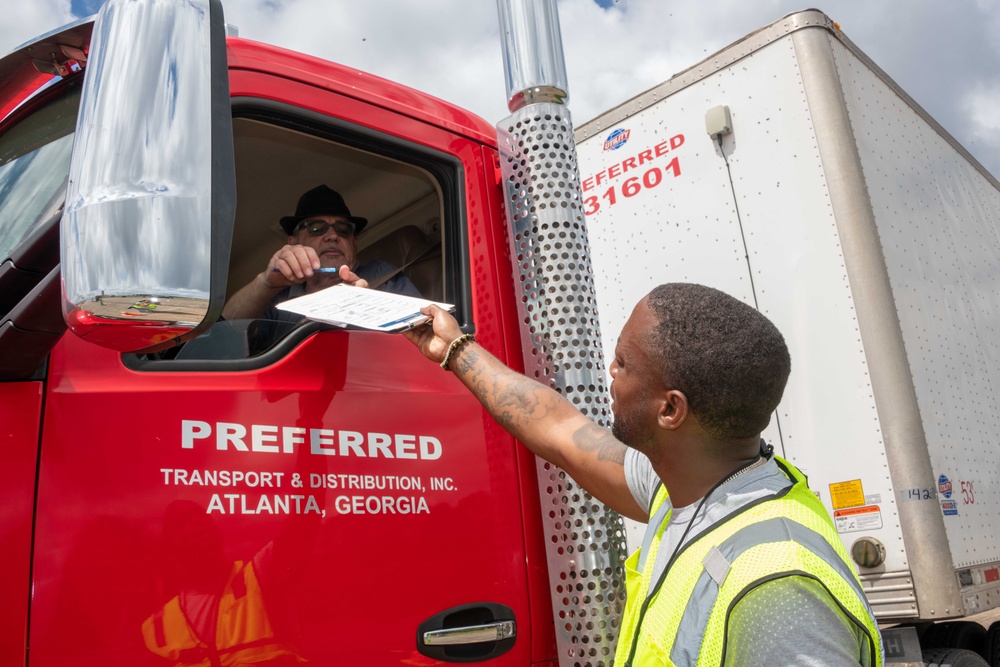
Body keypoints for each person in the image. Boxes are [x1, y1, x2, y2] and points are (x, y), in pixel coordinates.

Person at [403, 283, 883, 666]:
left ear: (670, 409)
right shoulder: (681, 483)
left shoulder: (777, 585)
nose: (610, 370)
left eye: (624, 362)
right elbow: (560, 430)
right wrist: (455, 349)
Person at [222, 185, 421, 346]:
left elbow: (422, 338)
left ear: (354, 242)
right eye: (316, 228)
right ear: (293, 242)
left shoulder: (380, 276)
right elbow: (226, 332)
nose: (333, 236)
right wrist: (265, 283)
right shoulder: (279, 297)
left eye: (343, 229)